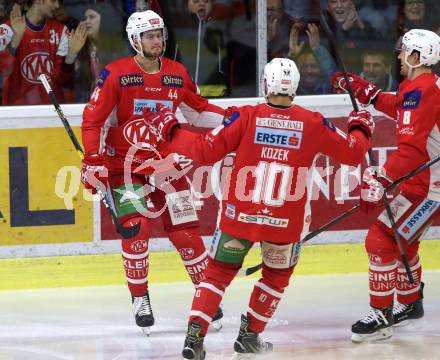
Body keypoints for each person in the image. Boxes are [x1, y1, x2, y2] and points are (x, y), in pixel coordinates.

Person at [143, 58, 374, 358]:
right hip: (285, 223)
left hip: (240, 218)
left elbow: (204, 151)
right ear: (295, 86)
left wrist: (172, 131)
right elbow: (354, 152)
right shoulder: (312, 122)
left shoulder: (247, 116)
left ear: (266, 84)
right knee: (275, 278)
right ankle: (250, 336)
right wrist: (361, 126)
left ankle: (193, 340)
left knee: (216, 275)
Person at [80, 10, 225, 335]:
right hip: (124, 167)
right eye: (149, 36)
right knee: (136, 230)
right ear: (135, 40)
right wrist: (92, 159)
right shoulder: (116, 74)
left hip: (166, 166)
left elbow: (198, 111)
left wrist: (236, 119)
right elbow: (93, 120)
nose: (156, 41)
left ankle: (207, 298)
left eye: (159, 35)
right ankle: (140, 298)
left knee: (187, 234)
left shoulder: (175, 73)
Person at [332, 28, 440, 342]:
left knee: (380, 238)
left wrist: (380, 178)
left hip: (429, 190)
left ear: (418, 56)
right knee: (404, 240)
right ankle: (409, 302)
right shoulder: (422, 87)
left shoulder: (423, 90)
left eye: (404, 50)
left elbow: (410, 151)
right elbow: (401, 106)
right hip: (426, 186)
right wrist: (370, 93)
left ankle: (382, 313)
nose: (398, 56)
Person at [0, 1, 87, 105]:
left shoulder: (61, 31)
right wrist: (16, 40)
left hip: (51, 111)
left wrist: (71, 55)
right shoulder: (6, 29)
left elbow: (62, 81)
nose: (57, 6)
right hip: (18, 111)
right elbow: (3, 72)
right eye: (53, 1)